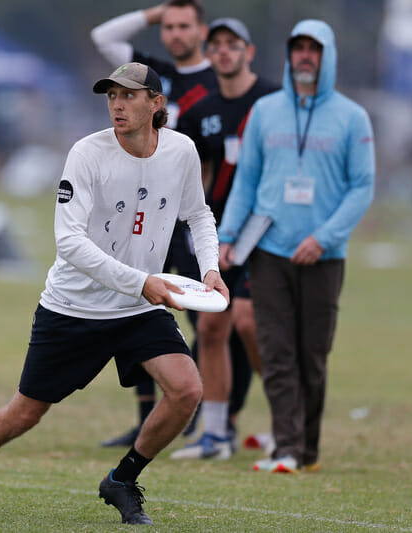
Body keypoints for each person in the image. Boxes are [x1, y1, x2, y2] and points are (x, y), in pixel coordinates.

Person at [0, 62, 228, 525]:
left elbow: (199, 215)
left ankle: (123, 479)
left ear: (157, 104)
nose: (117, 104)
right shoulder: (86, 153)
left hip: (138, 309)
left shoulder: (181, 151)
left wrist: (210, 269)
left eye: (130, 95)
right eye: (112, 95)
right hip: (74, 308)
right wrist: (144, 281)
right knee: (25, 414)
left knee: (187, 389)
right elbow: (69, 243)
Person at [217, 20, 375, 473]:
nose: (305, 56)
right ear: (288, 55)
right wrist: (228, 236)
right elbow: (245, 181)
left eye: (314, 49)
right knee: (275, 349)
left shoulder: (352, 117)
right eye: (298, 48)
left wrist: (323, 237)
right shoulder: (265, 112)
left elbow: (362, 187)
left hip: (324, 256)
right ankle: (285, 447)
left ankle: (306, 449)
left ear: (328, 56)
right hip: (268, 250)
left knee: (312, 355)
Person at [90, 0, 229, 448]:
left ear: (201, 30)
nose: (174, 33)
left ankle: (211, 416)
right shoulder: (148, 72)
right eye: (167, 26)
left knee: (205, 319)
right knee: (137, 303)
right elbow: (104, 37)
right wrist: (153, 13)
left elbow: (211, 161)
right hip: (142, 218)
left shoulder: (217, 82)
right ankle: (149, 416)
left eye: (184, 24)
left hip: (188, 217)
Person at [169, 18, 280, 460]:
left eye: (233, 45)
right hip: (220, 233)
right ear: (209, 54)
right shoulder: (200, 110)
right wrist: (195, 232)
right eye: (216, 46)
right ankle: (216, 435)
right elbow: (201, 178)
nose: (224, 52)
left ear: (248, 51)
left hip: (265, 231)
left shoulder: (272, 102)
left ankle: (283, 425)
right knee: (212, 325)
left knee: (251, 324)